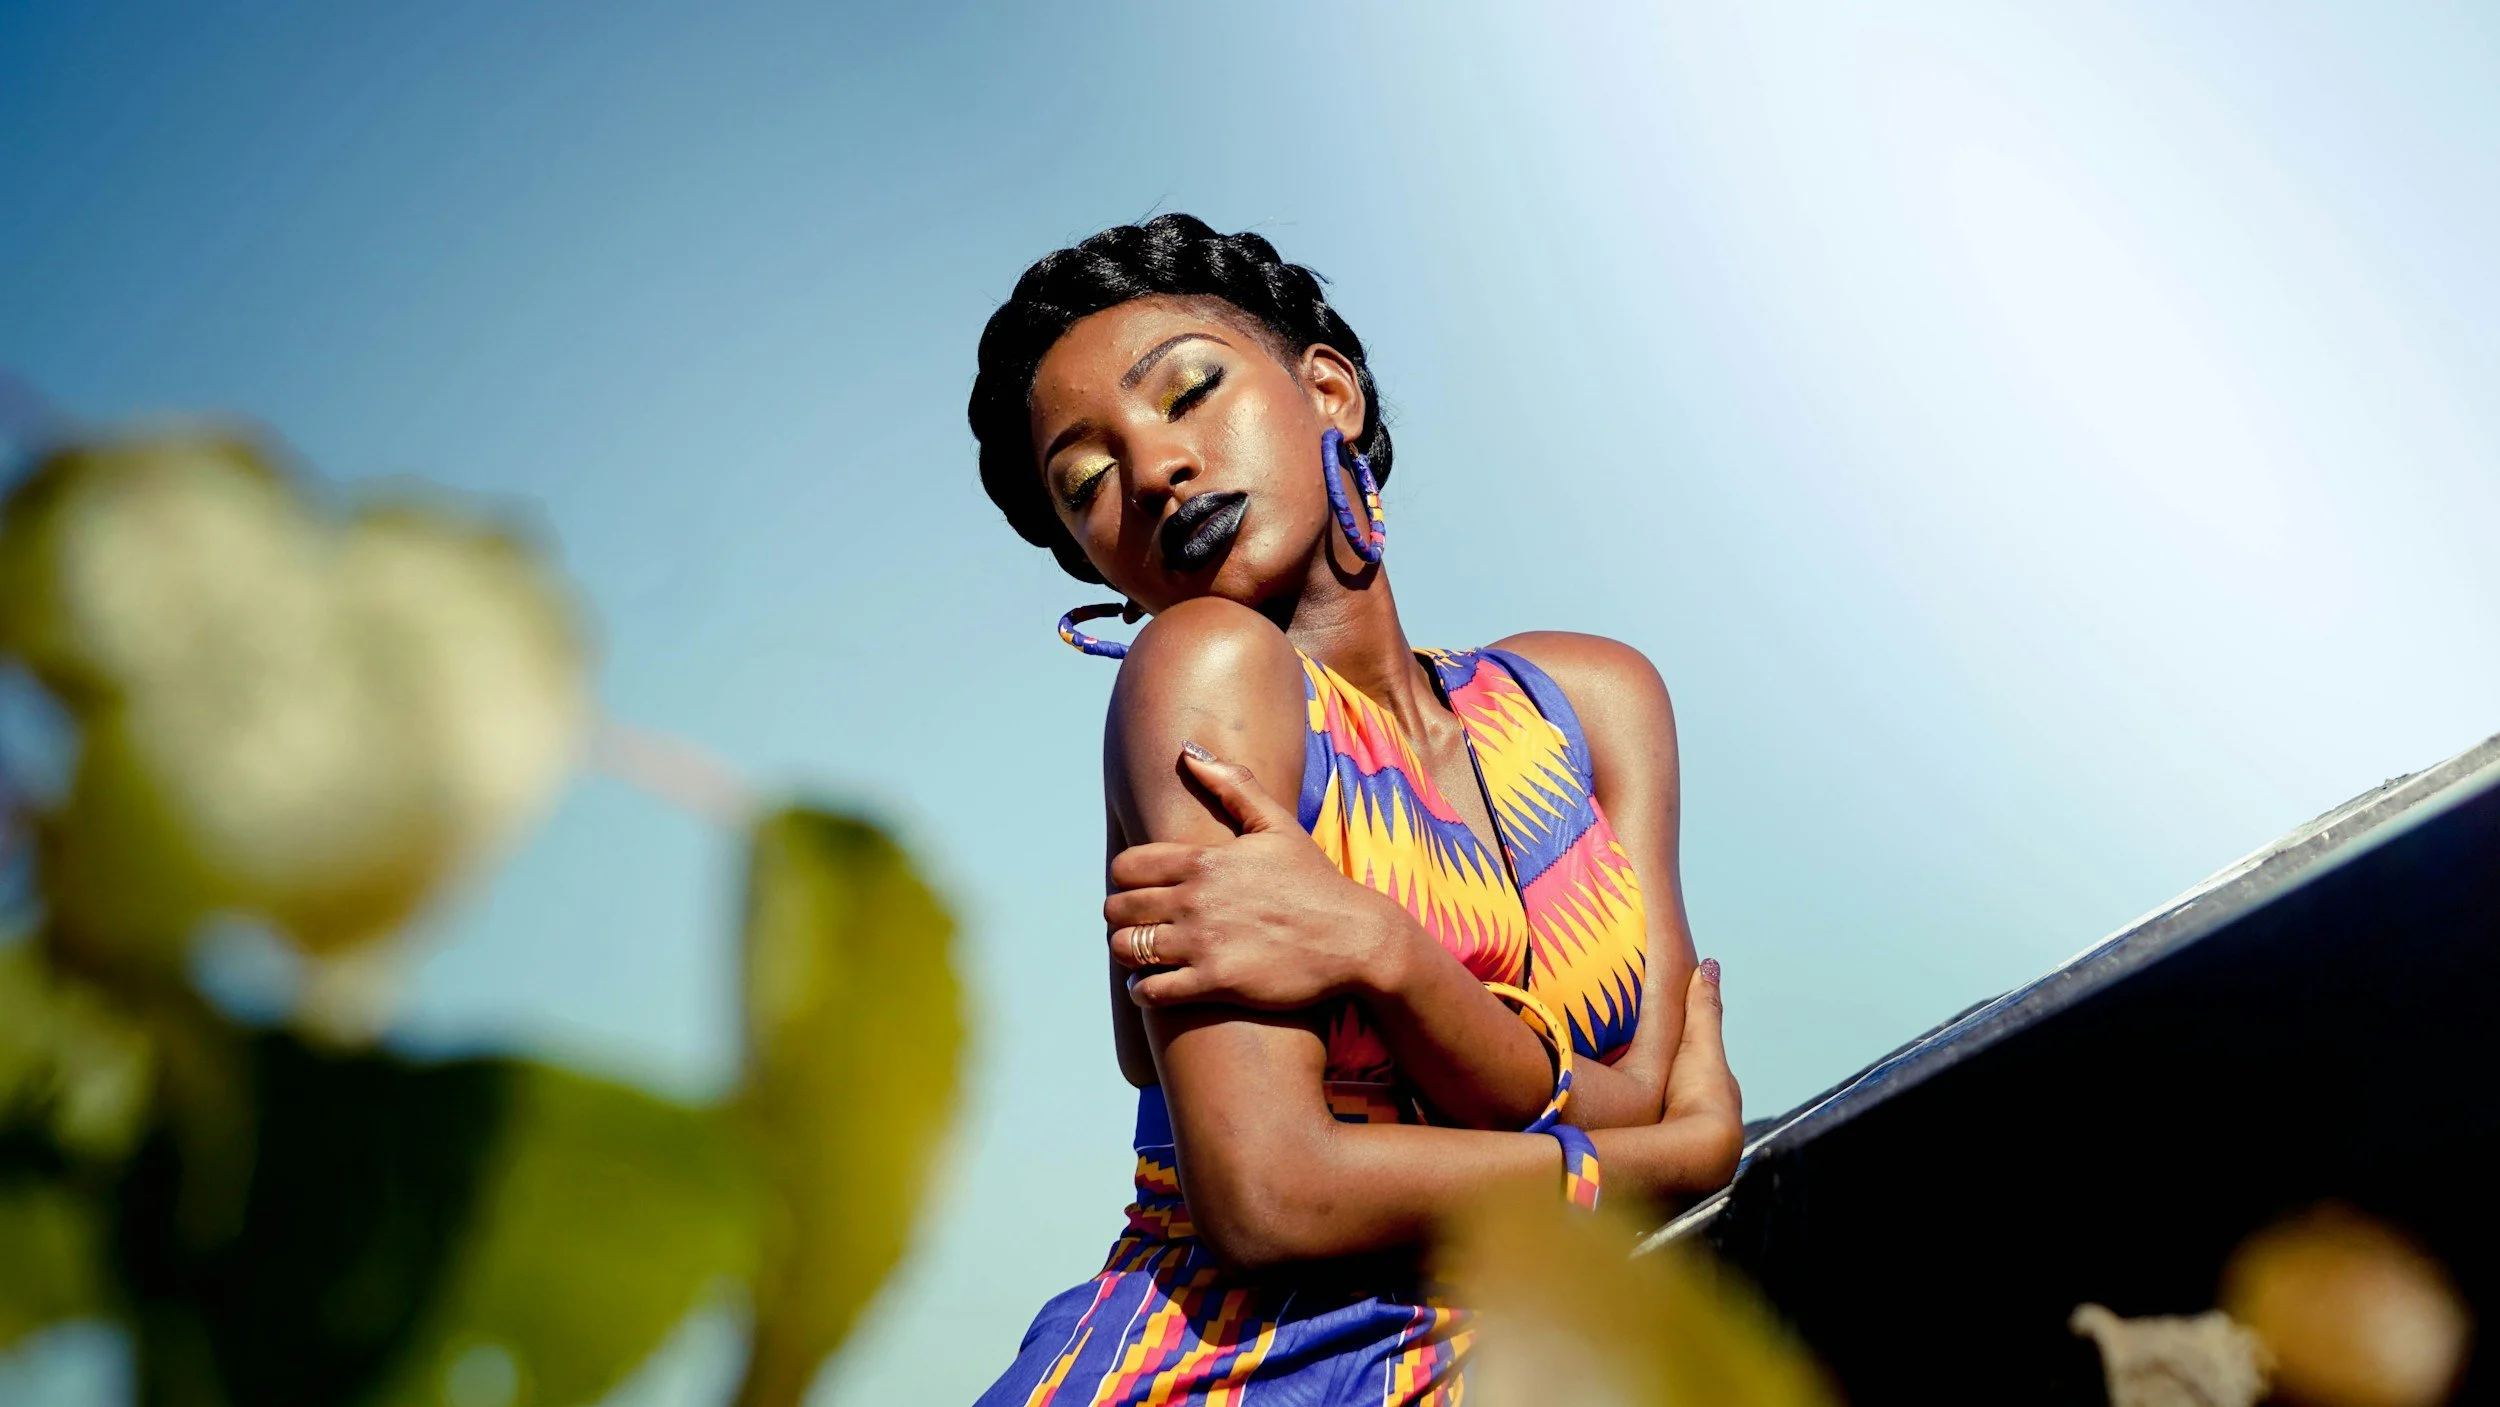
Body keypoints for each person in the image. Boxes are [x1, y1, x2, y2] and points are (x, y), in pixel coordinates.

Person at [968, 215, 1744, 1406]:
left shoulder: (1590, 702)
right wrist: (1656, 1164)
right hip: (1239, 1368)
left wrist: (1387, 957)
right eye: (1087, 483)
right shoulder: (1206, 672)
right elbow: (1272, 1197)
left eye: (1189, 392)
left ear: (1326, 390)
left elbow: (1639, 1088)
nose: (1156, 468)